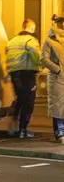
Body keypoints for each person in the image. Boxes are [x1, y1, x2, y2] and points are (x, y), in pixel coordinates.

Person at [5, 19, 41, 138]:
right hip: (27, 75)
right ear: (31, 28)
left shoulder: (12, 41)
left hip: (15, 75)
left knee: (20, 98)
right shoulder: (31, 40)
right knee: (29, 102)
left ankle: (14, 124)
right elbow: (37, 56)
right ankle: (23, 129)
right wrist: (41, 67)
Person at [41, 15, 64, 143]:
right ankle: (59, 132)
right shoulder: (50, 41)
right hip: (58, 78)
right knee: (58, 105)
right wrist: (58, 69)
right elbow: (43, 59)